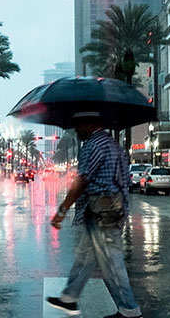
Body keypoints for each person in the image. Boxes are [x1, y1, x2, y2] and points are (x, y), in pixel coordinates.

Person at [47, 112, 142, 318]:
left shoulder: (93, 146)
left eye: (78, 125)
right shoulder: (114, 145)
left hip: (102, 210)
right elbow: (126, 180)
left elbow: (81, 182)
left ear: (88, 124)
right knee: (84, 257)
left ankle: (130, 310)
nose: (76, 130)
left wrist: (62, 210)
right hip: (111, 208)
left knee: (111, 261)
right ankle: (69, 298)